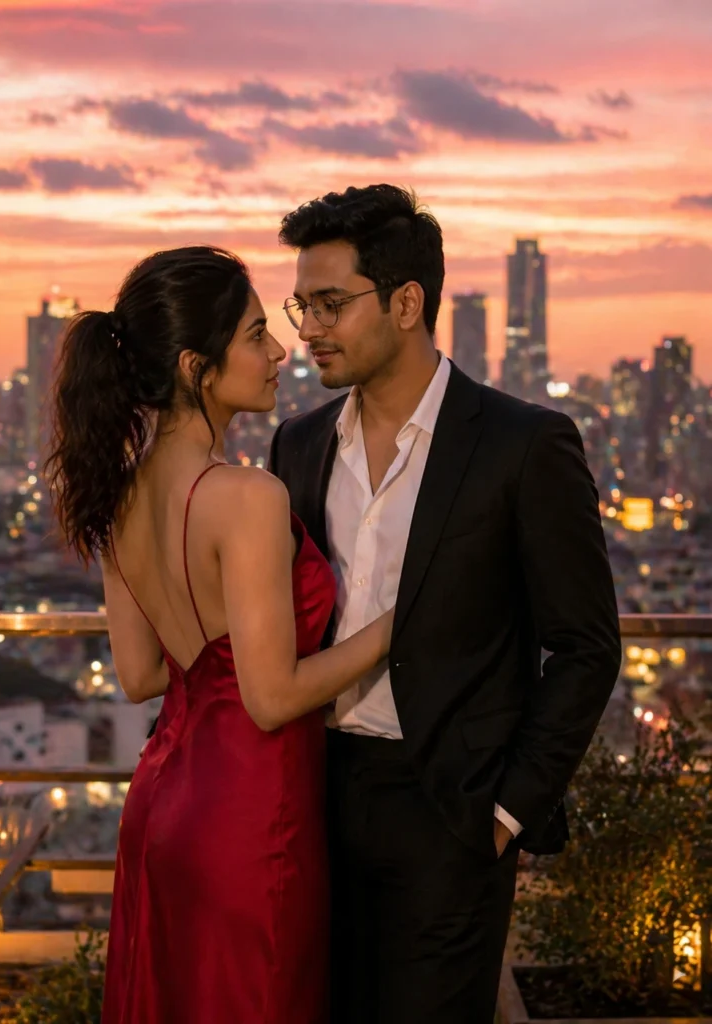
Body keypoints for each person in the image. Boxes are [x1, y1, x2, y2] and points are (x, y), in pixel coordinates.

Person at [268, 185, 623, 1023]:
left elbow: (585, 645)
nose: (308, 329)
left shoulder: (522, 443)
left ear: (404, 304)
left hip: (451, 812)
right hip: (314, 798)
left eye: (328, 304)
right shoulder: (299, 444)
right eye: (300, 307)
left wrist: (504, 813)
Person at [45, 246, 394, 1024]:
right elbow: (271, 700)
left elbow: (138, 675)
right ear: (198, 368)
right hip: (250, 816)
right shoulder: (246, 496)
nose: (279, 353)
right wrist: (398, 627)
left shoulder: (120, 494)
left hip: (164, 811)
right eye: (256, 335)